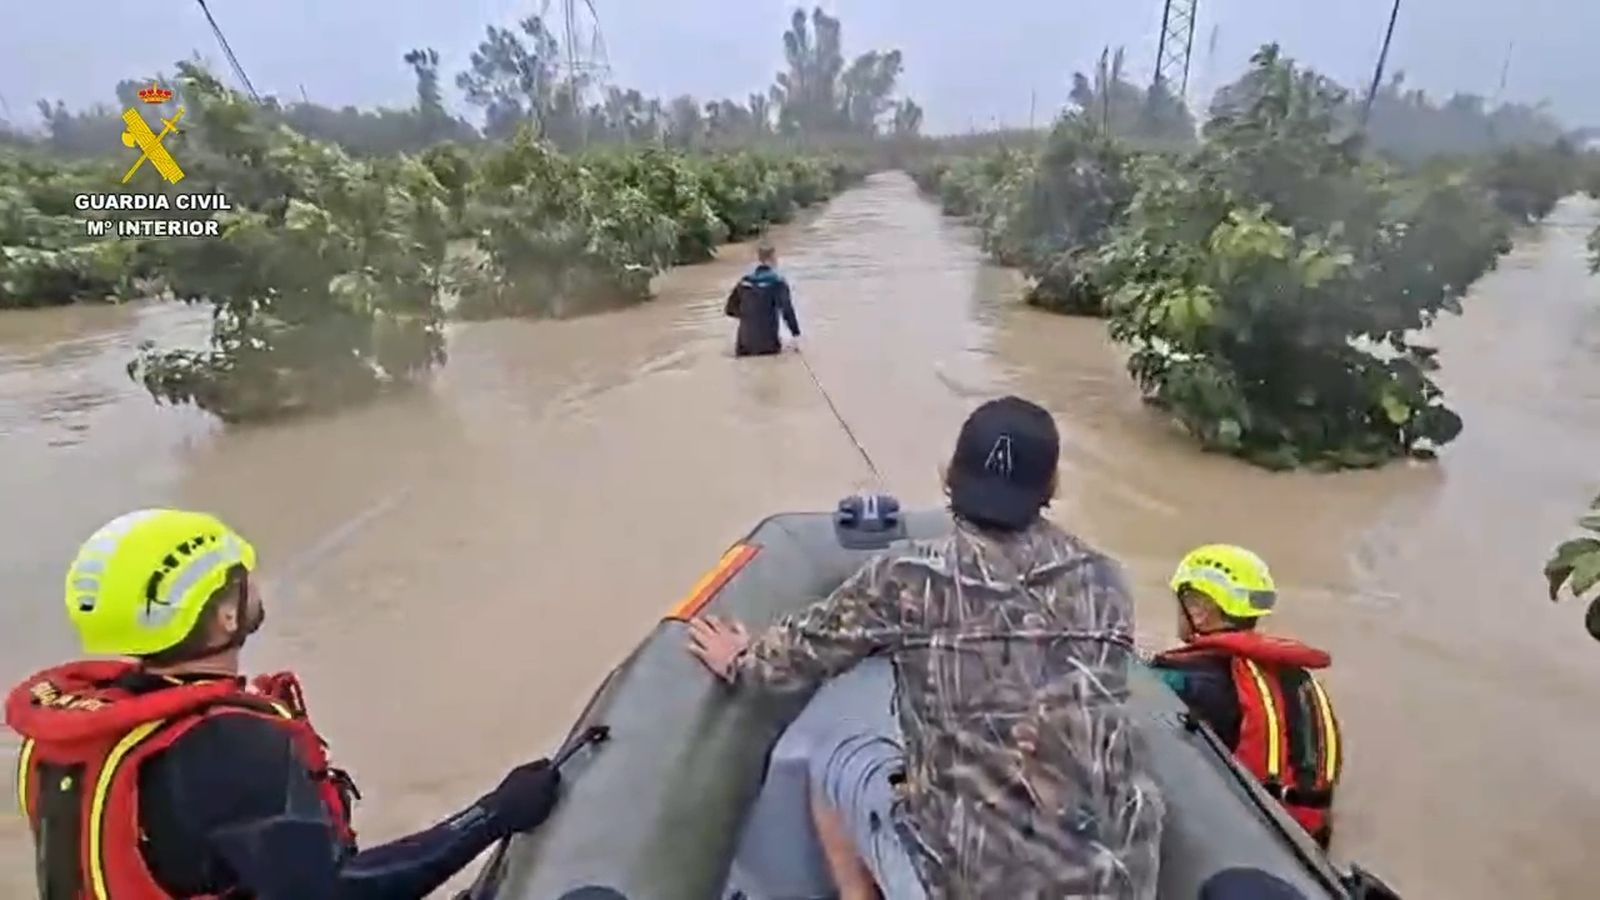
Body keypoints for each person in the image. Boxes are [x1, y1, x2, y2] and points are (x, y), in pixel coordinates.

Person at [685, 396, 1163, 899]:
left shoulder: (909, 577)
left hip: (969, 880)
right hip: (1114, 879)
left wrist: (739, 657)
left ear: (947, 477)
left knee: (832, 760)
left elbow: (794, 657)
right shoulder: (1107, 580)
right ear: (1052, 486)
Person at [7, 509, 563, 900]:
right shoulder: (227, 746)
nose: (257, 583)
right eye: (242, 579)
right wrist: (492, 814)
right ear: (225, 616)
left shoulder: (73, 731)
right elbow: (340, 893)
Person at [1147, 545, 1343, 848]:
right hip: (1304, 837)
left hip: (1233, 840)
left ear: (1198, 608)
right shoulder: (1296, 676)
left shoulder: (1187, 680)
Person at [724, 242, 800, 357]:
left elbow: (729, 310)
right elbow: (787, 310)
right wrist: (796, 335)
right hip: (769, 346)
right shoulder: (778, 282)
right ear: (773, 258)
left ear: (758, 258)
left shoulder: (744, 282)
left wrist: (750, 315)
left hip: (744, 347)